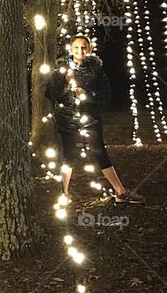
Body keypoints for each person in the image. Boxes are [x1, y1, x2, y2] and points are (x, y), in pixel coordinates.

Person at [45, 34, 144, 203]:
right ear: (71, 49)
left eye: (83, 47)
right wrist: (64, 83)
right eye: (76, 47)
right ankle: (64, 194)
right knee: (68, 155)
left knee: (99, 152)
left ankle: (120, 191)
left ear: (89, 49)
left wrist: (87, 95)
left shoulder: (96, 68)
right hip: (67, 118)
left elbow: (106, 94)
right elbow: (49, 93)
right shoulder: (61, 69)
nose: (80, 50)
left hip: (90, 117)